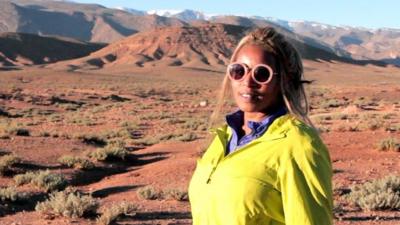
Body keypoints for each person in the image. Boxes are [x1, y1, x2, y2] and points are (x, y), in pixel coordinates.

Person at [188, 27, 333, 225]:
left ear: (285, 80)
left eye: (261, 74)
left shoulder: (298, 145)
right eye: (239, 71)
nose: (248, 82)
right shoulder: (224, 138)